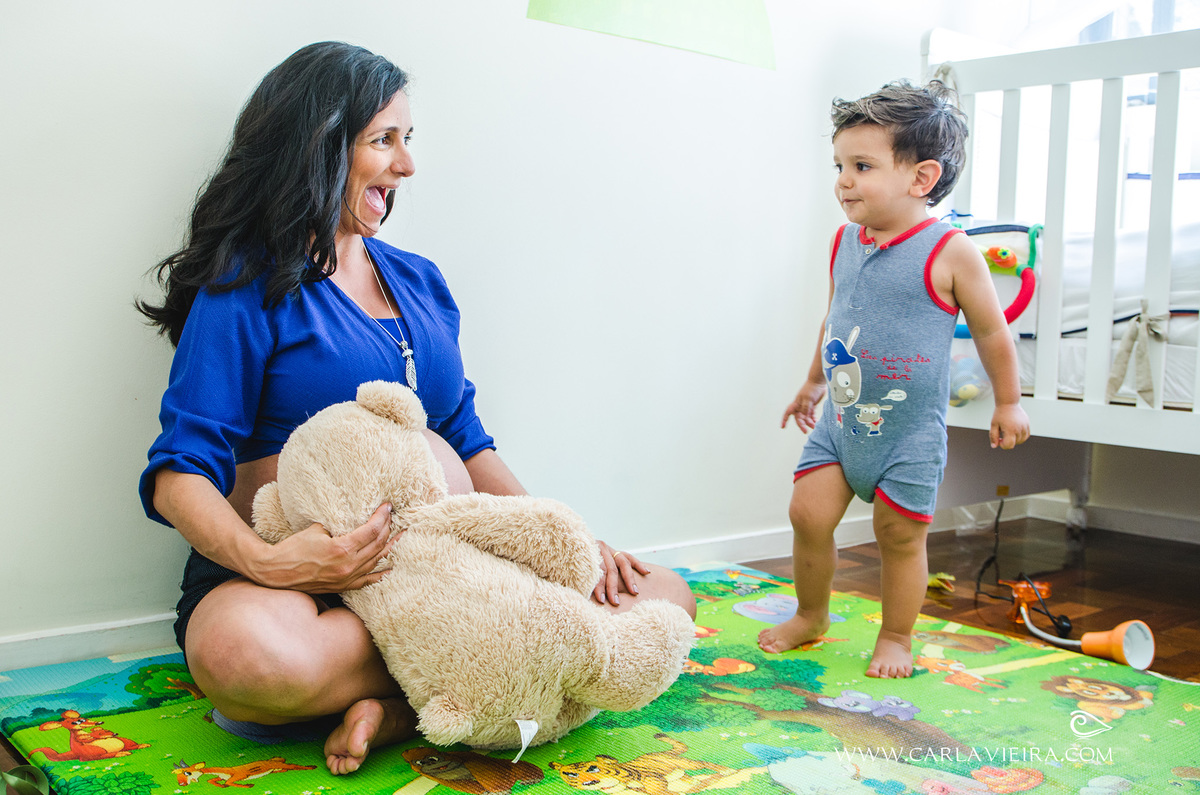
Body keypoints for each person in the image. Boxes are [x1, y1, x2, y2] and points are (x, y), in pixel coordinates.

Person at [137, 41, 697, 775]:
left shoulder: (420, 282)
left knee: (666, 596)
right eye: (384, 141)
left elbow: (464, 434)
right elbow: (179, 473)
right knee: (245, 659)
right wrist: (274, 563)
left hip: (447, 568)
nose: (407, 165)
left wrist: (567, 542)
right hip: (302, 583)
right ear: (319, 149)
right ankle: (497, 672)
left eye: (408, 140)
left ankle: (405, 706)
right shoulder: (246, 286)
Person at [759, 80, 1030, 678]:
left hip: (907, 436)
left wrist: (1008, 402)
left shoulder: (952, 251)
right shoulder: (843, 242)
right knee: (807, 515)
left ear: (921, 178)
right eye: (839, 165)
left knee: (898, 538)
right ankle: (811, 613)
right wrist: (812, 383)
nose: (843, 181)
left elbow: (991, 332)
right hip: (842, 424)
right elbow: (836, 320)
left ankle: (898, 637)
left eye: (861, 166)